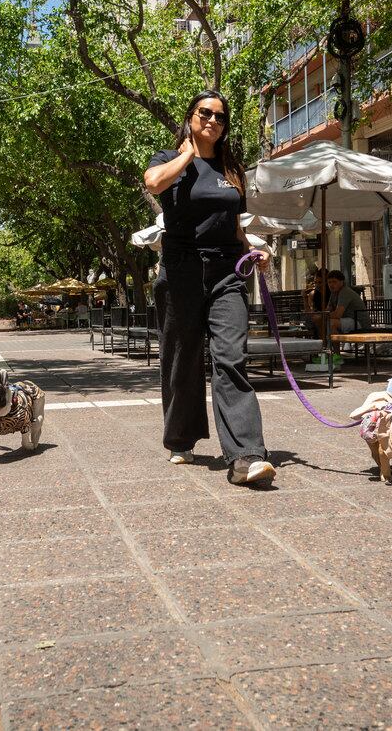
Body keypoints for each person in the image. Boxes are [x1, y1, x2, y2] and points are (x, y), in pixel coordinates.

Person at [143, 90, 275, 486]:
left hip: (226, 273)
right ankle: (181, 439)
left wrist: (254, 250)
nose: (213, 121)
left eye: (220, 117)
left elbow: (235, 225)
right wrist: (187, 154)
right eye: (205, 113)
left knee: (231, 355)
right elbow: (153, 184)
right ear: (191, 116)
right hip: (181, 271)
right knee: (181, 359)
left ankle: (246, 455)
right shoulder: (168, 160)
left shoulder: (232, 170)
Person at [309, 270, 369, 359]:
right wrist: (320, 316)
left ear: (342, 282)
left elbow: (337, 314)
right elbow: (327, 311)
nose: (331, 285)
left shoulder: (345, 292)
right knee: (319, 321)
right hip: (348, 320)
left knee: (332, 323)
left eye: (334, 282)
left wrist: (322, 316)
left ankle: (337, 356)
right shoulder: (334, 293)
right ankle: (324, 351)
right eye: (329, 282)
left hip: (359, 322)